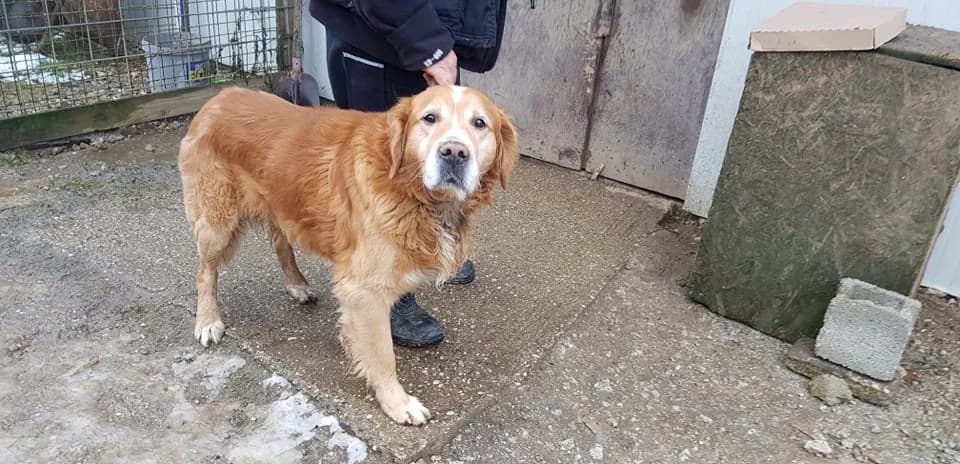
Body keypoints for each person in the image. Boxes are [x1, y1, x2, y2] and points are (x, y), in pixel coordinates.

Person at [308, 0, 509, 347]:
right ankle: (385, 284)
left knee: (436, 155)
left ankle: (429, 249)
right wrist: (427, 41)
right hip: (382, 32)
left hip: (431, 31)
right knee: (383, 173)